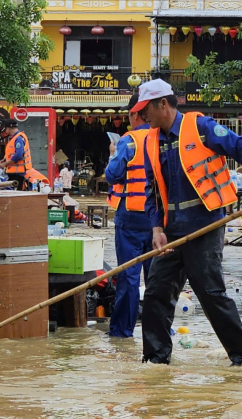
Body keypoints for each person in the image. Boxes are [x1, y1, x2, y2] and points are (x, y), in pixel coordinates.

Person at [134, 79, 242, 365]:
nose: (142, 116)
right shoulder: (151, 141)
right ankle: (156, 360)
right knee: (156, 293)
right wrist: (156, 228)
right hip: (171, 230)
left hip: (204, 224)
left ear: (163, 104)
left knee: (210, 293)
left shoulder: (201, 128)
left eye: (145, 109)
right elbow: (152, 190)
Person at [104, 95, 154, 338]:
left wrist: (113, 153)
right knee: (157, 279)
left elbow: (113, 175)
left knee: (129, 277)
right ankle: (158, 330)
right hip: (159, 219)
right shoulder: (162, 138)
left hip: (131, 217)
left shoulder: (129, 141)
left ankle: (123, 333)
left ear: (136, 114)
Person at [0, 118, 32, 190]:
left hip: (17, 173)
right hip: (14, 173)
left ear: (9, 128)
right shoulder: (15, 138)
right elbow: (12, 153)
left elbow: (18, 155)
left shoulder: (18, 138)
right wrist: (5, 159)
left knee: (15, 195)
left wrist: (5, 164)